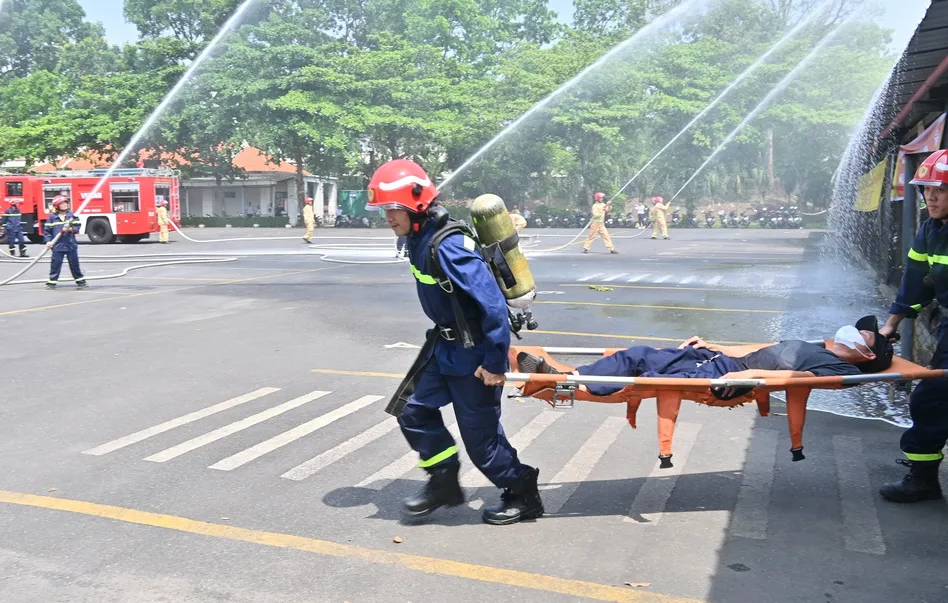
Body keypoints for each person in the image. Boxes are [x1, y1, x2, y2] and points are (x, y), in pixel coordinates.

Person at [367, 159, 543, 525]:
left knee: (481, 442)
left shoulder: (449, 247)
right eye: (383, 209)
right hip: (444, 347)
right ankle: (443, 480)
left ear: (415, 205)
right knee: (413, 411)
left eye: (392, 208)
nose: (387, 217)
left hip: (474, 354)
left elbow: (493, 308)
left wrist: (495, 365)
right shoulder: (417, 239)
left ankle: (522, 491)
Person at [519, 316, 894, 399]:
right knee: (640, 355)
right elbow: (750, 350)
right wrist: (712, 343)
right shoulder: (819, 345)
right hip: (722, 362)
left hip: (731, 378)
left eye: (863, 333)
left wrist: (751, 378)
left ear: (867, 352)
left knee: (651, 379)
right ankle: (568, 374)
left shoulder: (839, 366)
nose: (854, 329)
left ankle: (565, 385)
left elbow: (800, 381)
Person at [878, 149, 948, 503]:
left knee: (933, 396)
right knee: (932, 398)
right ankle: (923, 479)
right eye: (926, 189)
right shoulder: (930, 230)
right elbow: (916, 282)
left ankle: (923, 481)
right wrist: (890, 325)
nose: (931, 197)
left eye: (941, 189)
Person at [43, 195, 86, 289]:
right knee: (55, 264)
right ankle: (52, 281)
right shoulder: (52, 218)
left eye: (65, 203)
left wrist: (71, 229)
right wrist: (48, 242)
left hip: (70, 244)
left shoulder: (72, 216)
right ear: (57, 206)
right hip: (58, 245)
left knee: (74, 264)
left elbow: (78, 227)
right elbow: (47, 231)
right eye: (62, 204)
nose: (64, 205)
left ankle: (80, 280)